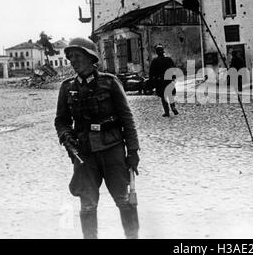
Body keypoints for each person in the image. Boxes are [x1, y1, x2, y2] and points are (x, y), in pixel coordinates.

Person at [54, 38, 140, 239]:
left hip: (113, 150)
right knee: (87, 205)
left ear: (91, 58)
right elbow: (61, 120)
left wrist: (133, 151)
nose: (73, 61)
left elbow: (127, 118)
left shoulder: (109, 82)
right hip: (85, 155)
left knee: (124, 200)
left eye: (77, 56)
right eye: (70, 57)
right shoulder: (67, 88)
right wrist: (66, 137)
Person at [149, 44, 179, 117]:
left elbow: (151, 72)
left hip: (160, 81)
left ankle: (167, 112)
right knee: (170, 95)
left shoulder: (155, 61)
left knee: (163, 97)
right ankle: (173, 107)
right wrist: (174, 77)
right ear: (163, 52)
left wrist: (151, 81)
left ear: (157, 52)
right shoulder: (168, 59)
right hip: (168, 80)